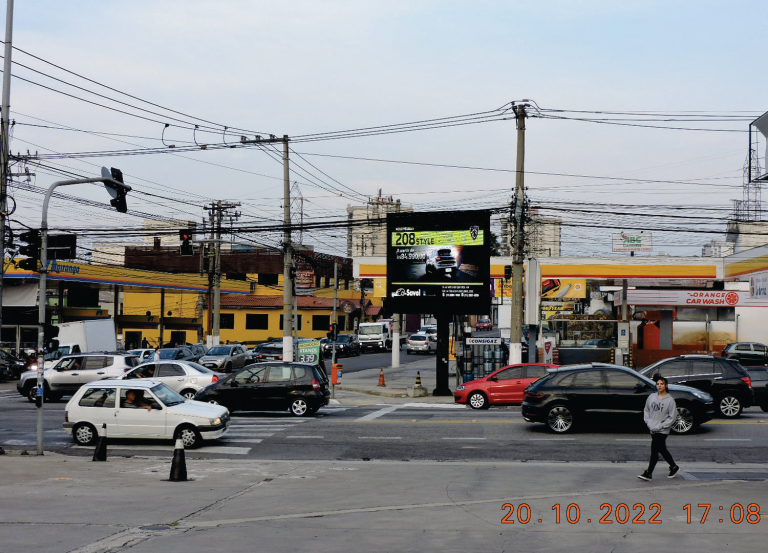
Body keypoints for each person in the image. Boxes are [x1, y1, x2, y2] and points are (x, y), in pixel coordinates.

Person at [638, 375, 680, 481]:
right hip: (652, 427)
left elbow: (672, 417)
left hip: (662, 430)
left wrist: (662, 426)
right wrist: (648, 422)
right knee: (661, 449)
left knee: (654, 450)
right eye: (658, 384)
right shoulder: (651, 397)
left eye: (662, 384)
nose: (659, 386)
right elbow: (646, 410)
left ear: (666, 386)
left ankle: (648, 473)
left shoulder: (670, 400)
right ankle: (674, 467)